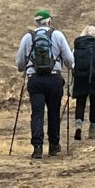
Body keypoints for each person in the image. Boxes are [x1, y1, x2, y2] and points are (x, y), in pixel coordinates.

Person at [15, 9, 74, 159]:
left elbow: (20, 64)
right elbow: (69, 60)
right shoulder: (58, 35)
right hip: (54, 79)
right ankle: (54, 146)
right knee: (54, 112)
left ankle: (37, 147)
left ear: (36, 22)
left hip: (35, 80)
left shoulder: (28, 37)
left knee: (37, 114)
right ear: (49, 21)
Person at [72, 25, 95, 140]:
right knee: (94, 103)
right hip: (94, 78)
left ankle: (78, 125)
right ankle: (92, 131)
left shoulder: (77, 47)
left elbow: (72, 63)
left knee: (80, 102)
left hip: (80, 77)